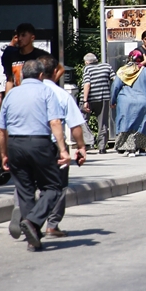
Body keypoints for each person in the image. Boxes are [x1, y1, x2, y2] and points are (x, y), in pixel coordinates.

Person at [0, 59, 71, 251]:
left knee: (25, 191)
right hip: (39, 143)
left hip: (15, 145)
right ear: (40, 75)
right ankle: (33, 222)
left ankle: (33, 238)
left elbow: (0, 130)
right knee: (53, 187)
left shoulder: (11, 94)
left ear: (21, 75)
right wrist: (63, 149)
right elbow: (54, 122)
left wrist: (4, 154)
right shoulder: (46, 91)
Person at [34, 55, 88, 239]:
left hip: (27, 143)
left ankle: (28, 216)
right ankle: (52, 224)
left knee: (30, 184)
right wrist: (80, 147)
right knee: (58, 184)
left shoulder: (26, 92)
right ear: (55, 72)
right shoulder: (61, 94)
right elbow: (75, 126)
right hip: (53, 145)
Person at [111, 49, 146, 157]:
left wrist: (113, 100)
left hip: (126, 102)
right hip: (145, 101)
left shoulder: (122, 71)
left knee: (127, 125)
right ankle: (141, 149)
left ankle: (130, 149)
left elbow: (115, 87)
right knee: (143, 125)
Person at [80, 52, 113, 152]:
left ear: (86, 62)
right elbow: (114, 79)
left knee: (81, 120)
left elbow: (87, 84)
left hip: (89, 99)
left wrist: (85, 100)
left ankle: (89, 141)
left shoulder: (87, 68)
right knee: (103, 122)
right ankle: (102, 147)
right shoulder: (107, 66)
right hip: (104, 98)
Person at [1, 23, 47, 92]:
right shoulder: (11, 56)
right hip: (17, 95)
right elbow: (10, 80)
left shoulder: (41, 55)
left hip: (35, 95)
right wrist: (6, 100)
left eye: (23, 35)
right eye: (18, 35)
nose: (19, 38)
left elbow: (59, 69)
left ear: (32, 38)